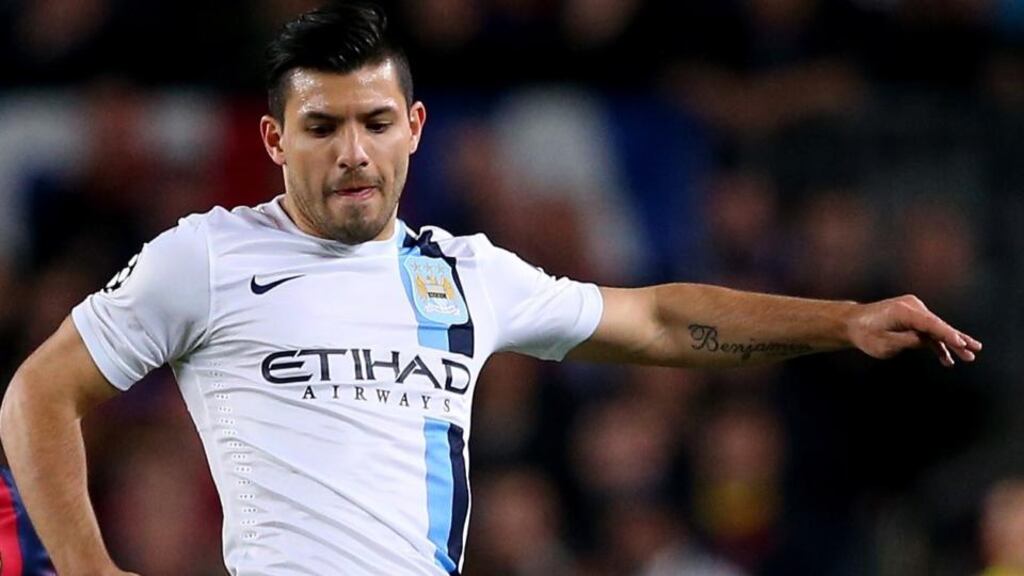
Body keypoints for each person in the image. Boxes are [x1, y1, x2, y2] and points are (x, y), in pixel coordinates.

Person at [0, 2, 982, 575]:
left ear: (415, 128)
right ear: (272, 140)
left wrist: (841, 320)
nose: (353, 152)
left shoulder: (466, 273)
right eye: (321, 126)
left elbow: (659, 317)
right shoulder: (205, 257)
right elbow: (39, 396)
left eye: (376, 122)